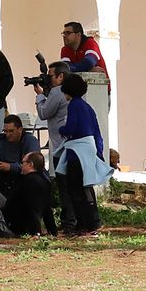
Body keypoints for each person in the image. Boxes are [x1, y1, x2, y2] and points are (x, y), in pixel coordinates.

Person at [54, 72, 112, 235]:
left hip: (76, 152)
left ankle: (83, 224)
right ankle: (93, 222)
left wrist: (61, 129)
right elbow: (96, 131)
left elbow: (70, 128)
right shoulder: (87, 106)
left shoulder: (74, 105)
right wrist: (99, 152)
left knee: (75, 189)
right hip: (89, 149)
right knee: (87, 188)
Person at [4, 151, 58, 236]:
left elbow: (33, 208)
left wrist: (35, 233)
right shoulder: (45, 180)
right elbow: (47, 208)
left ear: (30, 164)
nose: (21, 165)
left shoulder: (29, 181)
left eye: (23, 162)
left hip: (15, 225)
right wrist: (52, 230)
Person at [0, 114, 41, 197]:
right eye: (5, 131)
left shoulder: (30, 141)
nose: (8, 134)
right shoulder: (1, 140)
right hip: (5, 177)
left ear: (20, 129)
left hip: (25, 177)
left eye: (11, 131)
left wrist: (10, 167)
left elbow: (34, 166)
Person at [30, 58, 72, 162]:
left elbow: (44, 113)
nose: (48, 79)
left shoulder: (57, 91)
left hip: (60, 144)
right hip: (69, 143)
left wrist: (40, 96)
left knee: (61, 175)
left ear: (61, 76)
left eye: (50, 76)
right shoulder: (68, 89)